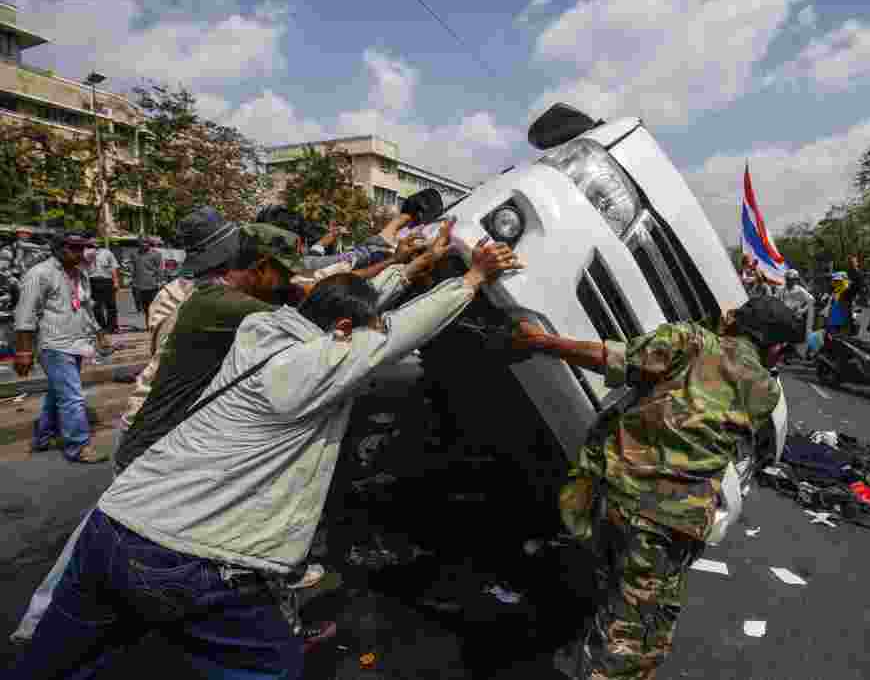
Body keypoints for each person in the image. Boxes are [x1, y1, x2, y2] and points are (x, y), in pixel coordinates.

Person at [11, 229, 523, 680]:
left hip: (114, 526)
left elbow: (340, 308)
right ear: (342, 334)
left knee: (55, 663)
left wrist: (408, 271)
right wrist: (471, 279)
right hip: (195, 558)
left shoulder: (264, 331)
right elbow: (391, 337)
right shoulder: (308, 368)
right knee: (265, 667)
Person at [511, 296, 799, 680]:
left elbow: (608, 358)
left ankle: (579, 654)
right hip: (670, 523)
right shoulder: (765, 391)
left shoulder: (690, 340)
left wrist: (539, 340)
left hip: (613, 496)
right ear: (775, 348)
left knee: (608, 590)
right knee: (634, 636)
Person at [14, 233, 106, 464]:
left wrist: (99, 333)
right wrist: (23, 352)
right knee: (73, 397)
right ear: (58, 248)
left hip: (76, 342)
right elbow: (25, 315)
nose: (79, 252)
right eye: (73, 247)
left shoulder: (80, 273)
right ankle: (78, 446)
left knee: (58, 394)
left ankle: (42, 438)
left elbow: (86, 307)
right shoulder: (39, 274)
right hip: (53, 345)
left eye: (82, 247)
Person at [84, 240, 121, 354]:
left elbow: (114, 267)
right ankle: (101, 327)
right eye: (91, 242)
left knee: (111, 304)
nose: (94, 244)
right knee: (96, 306)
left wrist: (116, 281)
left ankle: (113, 327)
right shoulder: (85, 252)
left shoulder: (107, 253)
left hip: (106, 280)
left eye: (95, 242)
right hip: (92, 280)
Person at [823, 255, 864, 336]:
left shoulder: (857, 273)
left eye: (852, 262)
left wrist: (855, 295)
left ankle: (849, 331)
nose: (850, 263)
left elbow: (859, 287)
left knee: (847, 315)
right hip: (842, 296)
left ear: (856, 263)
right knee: (837, 312)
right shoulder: (846, 272)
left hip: (850, 297)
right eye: (849, 262)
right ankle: (838, 329)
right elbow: (836, 283)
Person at [780, 269, 814, 360]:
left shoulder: (800, 290)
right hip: (784, 315)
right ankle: (786, 355)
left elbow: (811, 300)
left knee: (792, 336)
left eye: (791, 279)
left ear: (795, 280)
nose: (788, 281)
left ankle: (792, 354)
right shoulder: (782, 289)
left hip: (795, 317)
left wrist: (802, 310)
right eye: (787, 279)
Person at [130, 236, 163, 323]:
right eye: (142, 242)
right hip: (139, 285)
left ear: (149, 243)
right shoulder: (134, 254)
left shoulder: (156, 254)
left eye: (146, 242)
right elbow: (133, 268)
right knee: (145, 308)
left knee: (154, 307)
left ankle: (154, 324)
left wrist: (160, 281)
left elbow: (159, 269)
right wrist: (132, 281)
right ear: (139, 243)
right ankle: (148, 324)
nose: (144, 244)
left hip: (153, 285)